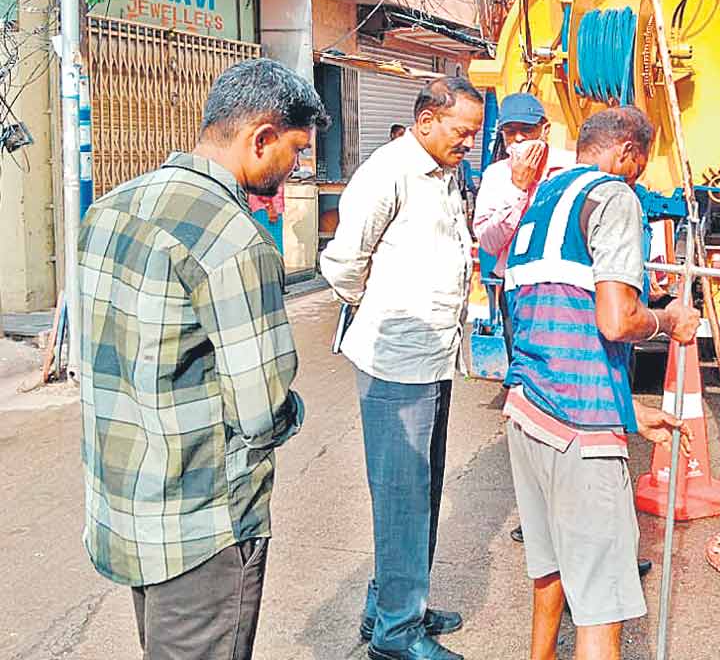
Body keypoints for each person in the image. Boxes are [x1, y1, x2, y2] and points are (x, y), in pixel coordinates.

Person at [78, 58, 327, 660]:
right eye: (294, 151)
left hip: (124, 503)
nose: (295, 169)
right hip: (203, 523)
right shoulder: (234, 239)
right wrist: (291, 412)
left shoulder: (111, 208)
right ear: (260, 138)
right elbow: (262, 407)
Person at [502, 106, 701, 660]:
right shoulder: (614, 197)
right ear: (625, 153)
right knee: (601, 604)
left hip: (528, 407)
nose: (637, 175)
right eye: (639, 163)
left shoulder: (541, 197)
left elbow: (543, 315)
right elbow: (615, 320)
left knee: (551, 571)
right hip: (578, 430)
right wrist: (669, 321)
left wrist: (627, 410)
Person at [320, 77, 484, 660]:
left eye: (472, 133)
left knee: (421, 489)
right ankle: (396, 634)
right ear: (426, 122)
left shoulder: (441, 174)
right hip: (396, 363)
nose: (469, 142)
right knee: (401, 496)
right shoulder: (388, 172)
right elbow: (342, 264)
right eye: (461, 131)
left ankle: (394, 601)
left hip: (433, 358)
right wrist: (378, 307)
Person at [473, 92, 575, 363]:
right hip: (517, 286)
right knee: (523, 363)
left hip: (564, 285)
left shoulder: (570, 168)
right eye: (510, 132)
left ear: (545, 131)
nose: (518, 139)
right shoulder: (496, 176)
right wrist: (518, 188)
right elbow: (488, 242)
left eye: (526, 131)